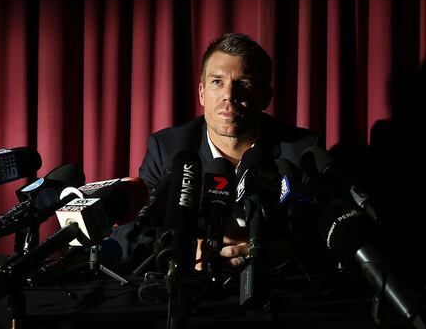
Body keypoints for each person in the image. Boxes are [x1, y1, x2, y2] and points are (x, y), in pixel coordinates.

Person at [133, 32, 321, 267]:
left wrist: (284, 250)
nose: (229, 96)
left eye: (243, 84)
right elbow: (137, 234)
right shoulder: (168, 149)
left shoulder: (302, 150)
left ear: (266, 97)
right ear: (202, 93)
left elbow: (324, 235)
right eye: (217, 82)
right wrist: (189, 248)